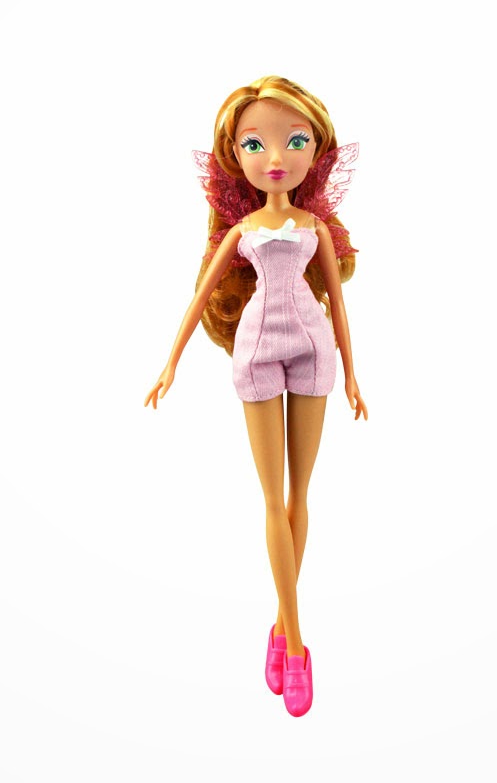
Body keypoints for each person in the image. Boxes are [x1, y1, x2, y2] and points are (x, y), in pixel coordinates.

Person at [145, 75, 368, 717]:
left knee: (301, 494)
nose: (275, 157)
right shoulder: (240, 231)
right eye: (255, 144)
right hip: (256, 353)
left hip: (314, 350)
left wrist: (353, 372)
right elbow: (198, 298)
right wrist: (170, 362)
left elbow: (338, 305)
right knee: (273, 498)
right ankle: (296, 644)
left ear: (316, 151)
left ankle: (281, 628)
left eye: (295, 141)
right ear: (235, 157)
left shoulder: (316, 229)